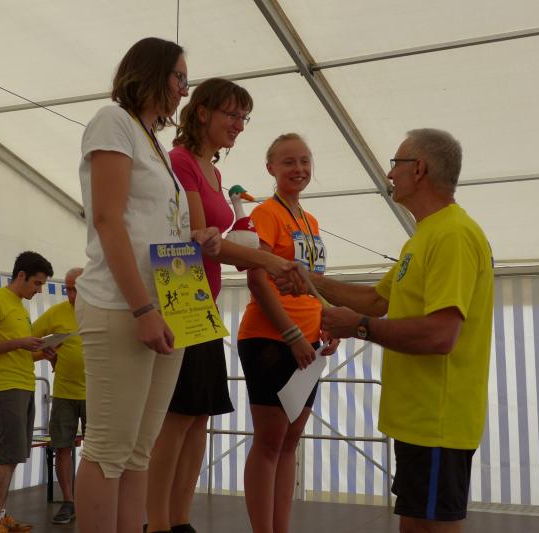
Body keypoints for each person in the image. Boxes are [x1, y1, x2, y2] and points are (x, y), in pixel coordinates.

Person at [289, 129, 494, 533]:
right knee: (414, 525)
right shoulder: (425, 236)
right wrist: (310, 280)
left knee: (434, 526)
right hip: (416, 419)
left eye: (396, 164)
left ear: (419, 169)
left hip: (438, 420)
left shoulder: (452, 235)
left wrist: (358, 327)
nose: (389, 174)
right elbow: (377, 300)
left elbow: (440, 335)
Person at [73, 37, 221, 533]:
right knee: (109, 449)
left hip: (166, 305)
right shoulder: (113, 121)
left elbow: (147, 223)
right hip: (122, 306)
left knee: (138, 451)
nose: (184, 89)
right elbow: (108, 220)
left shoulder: (153, 141)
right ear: (152, 72)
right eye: (180, 77)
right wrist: (142, 310)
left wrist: (192, 237)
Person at [146, 78, 300, 533]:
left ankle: (180, 519)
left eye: (243, 117)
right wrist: (266, 258)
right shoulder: (181, 161)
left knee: (199, 418)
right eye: (232, 115)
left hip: (203, 305)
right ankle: (157, 522)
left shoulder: (211, 172)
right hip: (180, 300)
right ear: (202, 113)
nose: (239, 125)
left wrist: (247, 248)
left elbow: (215, 241)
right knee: (177, 418)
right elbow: (200, 240)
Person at [236, 133, 339, 533]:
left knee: (291, 441)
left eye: (304, 161)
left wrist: (327, 320)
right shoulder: (265, 213)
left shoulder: (310, 221)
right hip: (271, 337)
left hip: (309, 341)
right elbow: (257, 279)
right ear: (271, 168)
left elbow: (312, 282)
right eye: (288, 162)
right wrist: (292, 333)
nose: (299, 169)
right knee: (270, 441)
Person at [0, 251, 54, 533]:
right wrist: (20, 342)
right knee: (7, 456)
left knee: (12, 455)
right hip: (6, 388)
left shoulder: (19, 306)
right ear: (21, 275)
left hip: (23, 385)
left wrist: (42, 352)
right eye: (37, 283)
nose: (39, 290)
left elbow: (18, 352)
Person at [30, 267, 85, 524]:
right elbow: (26, 340)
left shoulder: (102, 311)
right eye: (68, 289)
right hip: (64, 392)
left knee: (99, 451)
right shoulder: (57, 312)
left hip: (98, 394)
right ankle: (69, 502)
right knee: (62, 447)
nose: (71, 295)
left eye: (76, 289)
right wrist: (45, 354)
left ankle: (93, 498)